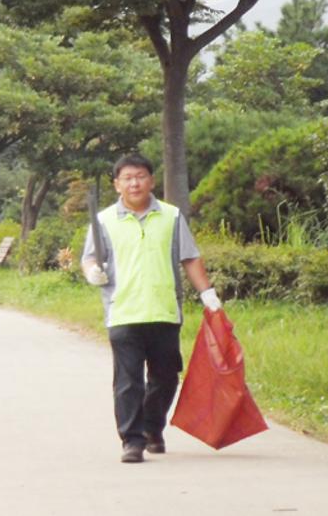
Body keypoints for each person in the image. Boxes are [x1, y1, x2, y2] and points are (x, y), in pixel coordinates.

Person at [81, 154, 221, 464]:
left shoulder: (171, 216)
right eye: (127, 178)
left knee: (166, 376)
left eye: (140, 176)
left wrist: (207, 292)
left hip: (164, 310)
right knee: (128, 381)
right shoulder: (104, 220)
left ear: (151, 181)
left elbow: (189, 257)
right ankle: (132, 440)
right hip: (123, 311)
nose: (134, 183)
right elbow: (90, 258)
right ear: (117, 184)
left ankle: (152, 427)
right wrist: (93, 273)